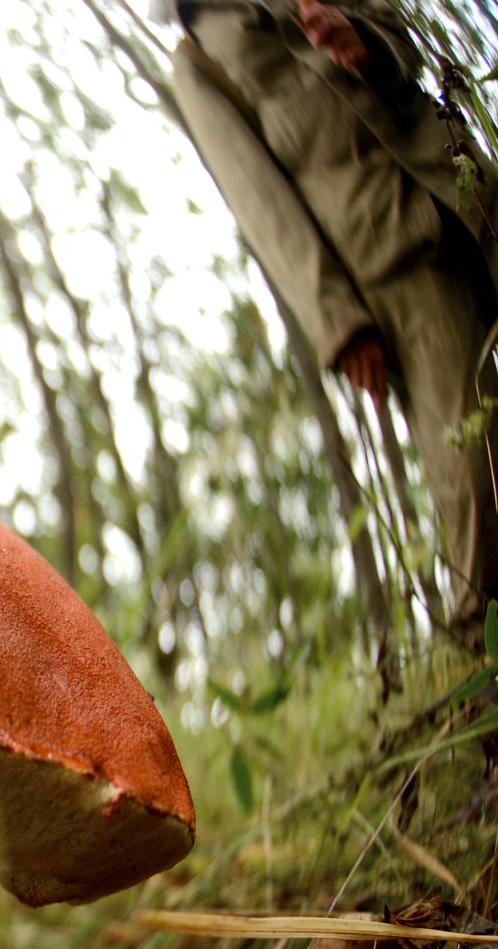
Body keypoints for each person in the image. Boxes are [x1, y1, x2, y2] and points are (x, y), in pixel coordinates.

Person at [169, 0, 498, 626]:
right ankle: (480, 647)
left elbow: (403, 39)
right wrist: (337, 321)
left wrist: (366, 39)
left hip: (467, 186)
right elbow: (259, 201)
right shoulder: (199, 60)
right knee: (475, 467)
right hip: (393, 262)